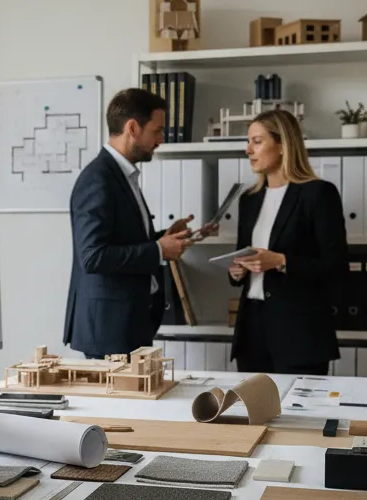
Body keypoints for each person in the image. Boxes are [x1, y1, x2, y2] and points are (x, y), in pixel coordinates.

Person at [64, 87, 208, 358]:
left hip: (128, 323)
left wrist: (165, 237)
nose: (161, 139)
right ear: (132, 128)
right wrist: (159, 250)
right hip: (108, 331)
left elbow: (123, 240)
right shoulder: (98, 179)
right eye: (157, 130)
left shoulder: (121, 175)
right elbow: (93, 257)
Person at [228, 109, 347, 374]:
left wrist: (281, 262)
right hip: (252, 329)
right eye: (248, 142)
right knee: (252, 402)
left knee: (298, 403)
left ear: (283, 145)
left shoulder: (318, 194)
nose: (248, 150)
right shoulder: (249, 199)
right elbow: (244, 255)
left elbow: (336, 266)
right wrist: (237, 271)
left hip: (300, 333)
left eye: (257, 141)